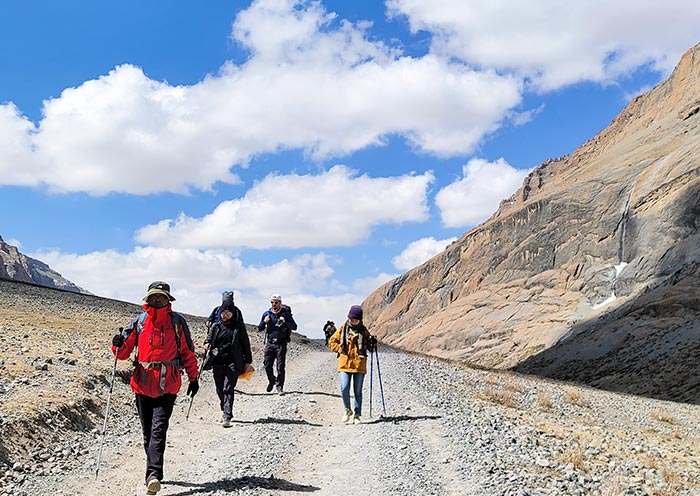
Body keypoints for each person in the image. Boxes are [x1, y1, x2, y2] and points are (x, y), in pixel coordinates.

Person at [111, 281, 199, 496]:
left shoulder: (178, 323)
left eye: (161, 297)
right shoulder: (139, 322)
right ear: (147, 299)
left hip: (167, 384)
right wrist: (116, 344)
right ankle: (153, 471)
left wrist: (193, 378)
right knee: (147, 432)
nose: (157, 300)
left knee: (158, 430)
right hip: (142, 384)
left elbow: (187, 352)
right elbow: (122, 354)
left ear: (168, 300)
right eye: (153, 296)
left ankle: (153, 475)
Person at [203, 295, 253, 427]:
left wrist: (248, 361)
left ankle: (227, 415)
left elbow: (245, 344)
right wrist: (207, 344)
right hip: (218, 360)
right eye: (223, 313)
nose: (225, 315)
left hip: (234, 362)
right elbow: (208, 339)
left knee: (228, 388)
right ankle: (224, 406)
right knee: (220, 388)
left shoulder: (238, 327)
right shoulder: (216, 326)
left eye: (228, 313)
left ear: (232, 313)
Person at [328, 305, 376, 425]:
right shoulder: (342, 329)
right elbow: (332, 342)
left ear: (360, 319)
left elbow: (371, 349)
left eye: (355, 319)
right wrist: (340, 349)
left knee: (357, 391)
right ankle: (347, 410)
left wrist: (373, 344)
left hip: (359, 365)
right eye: (351, 319)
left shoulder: (364, 331)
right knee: (344, 388)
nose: (353, 321)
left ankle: (357, 415)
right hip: (344, 363)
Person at [258, 294, 297, 394]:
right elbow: (260, 328)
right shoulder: (266, 313)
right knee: (267, 365)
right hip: (270, 343)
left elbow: (294, 327)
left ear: (280, 303)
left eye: (276, 302)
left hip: (281, 343)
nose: (274, 304)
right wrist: (264, 321)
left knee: (280, 366)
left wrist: (285, 322)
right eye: (272, 302)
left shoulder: (285, 314)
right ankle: (272, 380)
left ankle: (279, 387)